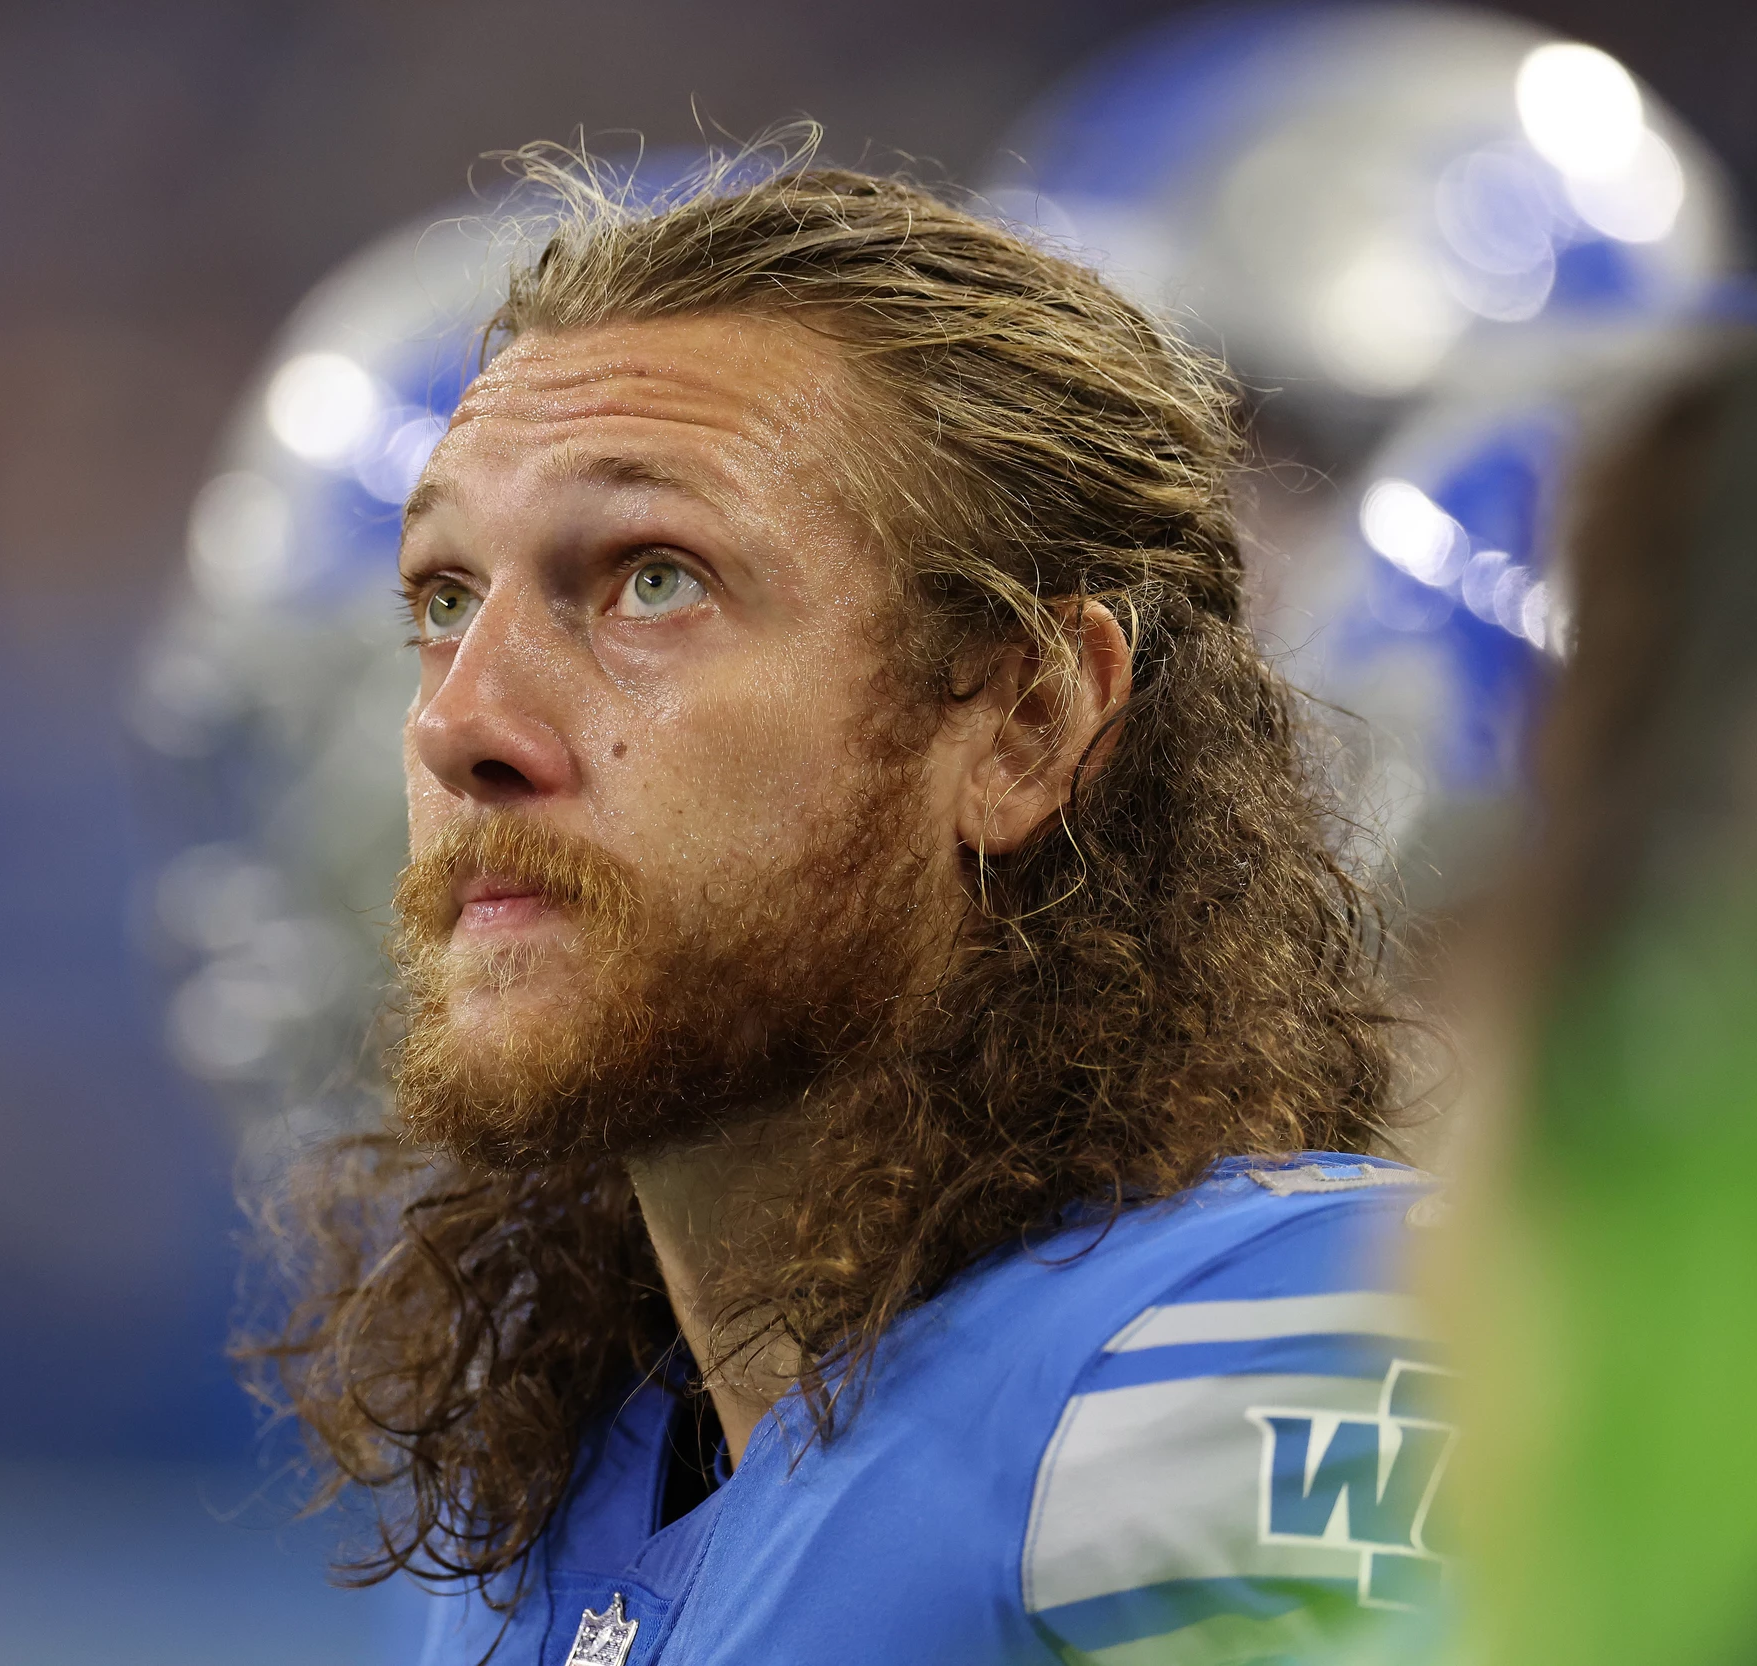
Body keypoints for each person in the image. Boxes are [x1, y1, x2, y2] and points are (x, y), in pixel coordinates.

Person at [249, 148, 1443, 1666]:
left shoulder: (1263, 1358)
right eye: (439, 598)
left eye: (651, 581)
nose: (458, 720)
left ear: (1024, 718)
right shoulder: (545, 1519)